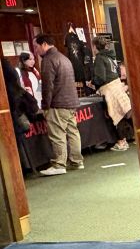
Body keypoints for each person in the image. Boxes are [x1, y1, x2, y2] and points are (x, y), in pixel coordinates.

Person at [35, 32, 84, 176]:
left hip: (57, 103)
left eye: (37, 46)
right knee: (73, 132)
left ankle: (59, 164)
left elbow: (47, 86)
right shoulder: (64, 58)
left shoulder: (48, 60)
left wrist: (45, 105)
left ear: (44, 44)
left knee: (57, 135)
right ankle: (77, 161)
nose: (36, 50)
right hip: (71, 102)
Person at [93, 37, 132, 151]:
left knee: (116, 115)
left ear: (95, 46)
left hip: (109, 90)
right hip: (117, 87)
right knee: (122, 113)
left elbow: (100, 77)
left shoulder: (99, 58)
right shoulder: (110, 57)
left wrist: (93, 81)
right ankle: (125, 140)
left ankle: (121, 141)